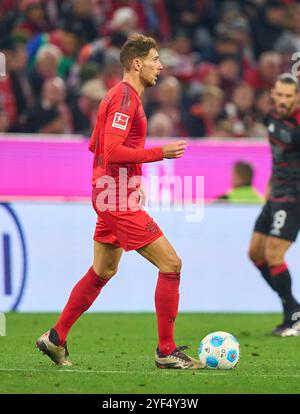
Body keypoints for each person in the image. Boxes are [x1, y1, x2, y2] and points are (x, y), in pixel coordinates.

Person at [36, 34, 203, 369]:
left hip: (111, 194)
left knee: (103, 269)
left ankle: (55, 338)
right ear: (137, 63)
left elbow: (96, 147)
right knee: (171, 264)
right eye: (155, 59)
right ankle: (166, 351)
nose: (160, 66)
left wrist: (120, 182)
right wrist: (160, 154)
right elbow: (111, 151)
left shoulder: (117, 97)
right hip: (116, 198)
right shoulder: (126, 99)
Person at [248, 73, 300, 337]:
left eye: (288, 97)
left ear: (297, 97)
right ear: (273, 93)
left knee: (274, 255)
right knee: (255, 253)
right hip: (275, 194)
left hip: (293, 198)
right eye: (279, 95)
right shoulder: (271, 117)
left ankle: (294, 315)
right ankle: (293, 309)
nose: (282, 101)